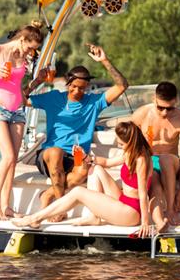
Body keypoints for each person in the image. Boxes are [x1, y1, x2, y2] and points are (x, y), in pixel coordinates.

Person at [28, 44, 127, 220]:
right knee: (56, 152)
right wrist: (37, 81)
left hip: (76, 156)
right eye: (73, 86)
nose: (77, 91)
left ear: (87, 87)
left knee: (82, 171)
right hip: (50, 155)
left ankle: (48, 195)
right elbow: (20, 100)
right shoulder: (54, 98)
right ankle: (60, 209)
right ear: (68, 82)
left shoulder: (94, 102)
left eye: (82, 88)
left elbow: (122, 86)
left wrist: (104, 60)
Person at [11, 121, 159, 237]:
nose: (120, 146)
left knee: (78, 192)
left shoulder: (141, 160)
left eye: (121, 144)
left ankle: (35, 219)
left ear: (130, 142)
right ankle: (94, 217)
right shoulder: (129, 153)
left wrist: (144, 222)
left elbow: (142, 193)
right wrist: (86, 158)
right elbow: (107, 163)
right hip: (124, 201)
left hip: (132, 212)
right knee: (96, 170)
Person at [0, 22, 45, 220]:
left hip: (18, 111)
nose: (32, 51)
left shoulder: (23, 56)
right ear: (22, 40)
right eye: (30, 47)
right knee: (6, 157)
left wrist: (38, 81)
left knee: (13, 160)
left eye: (34, 49)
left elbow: (19, 88)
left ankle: (6, 206)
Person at [131, 81, 180, 224]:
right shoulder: (141, 114)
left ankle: (171, 211)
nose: (165, 113)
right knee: (155, 183)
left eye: (170, 108)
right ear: (154, 99)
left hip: (171, 161)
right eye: (160, 108)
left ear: (175, 102)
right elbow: (128, 142)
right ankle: (159, 220)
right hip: (149, 162)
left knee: (165, 159)